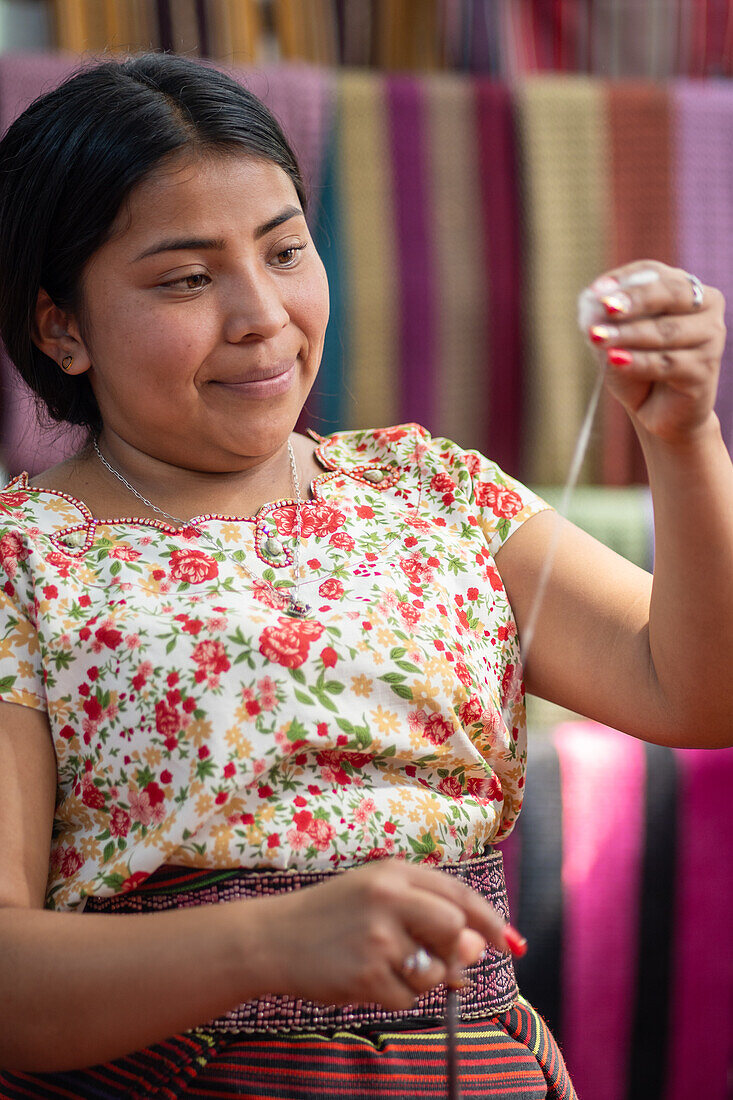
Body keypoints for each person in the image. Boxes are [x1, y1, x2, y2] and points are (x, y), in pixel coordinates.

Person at [0, 52, 730, 1100]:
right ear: (60, 324)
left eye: (285, 250)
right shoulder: (24, 562)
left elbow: (702, 689)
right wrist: (270, 941)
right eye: (186, 277)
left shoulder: (430, 490)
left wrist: (684, 436)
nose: (262, 314)